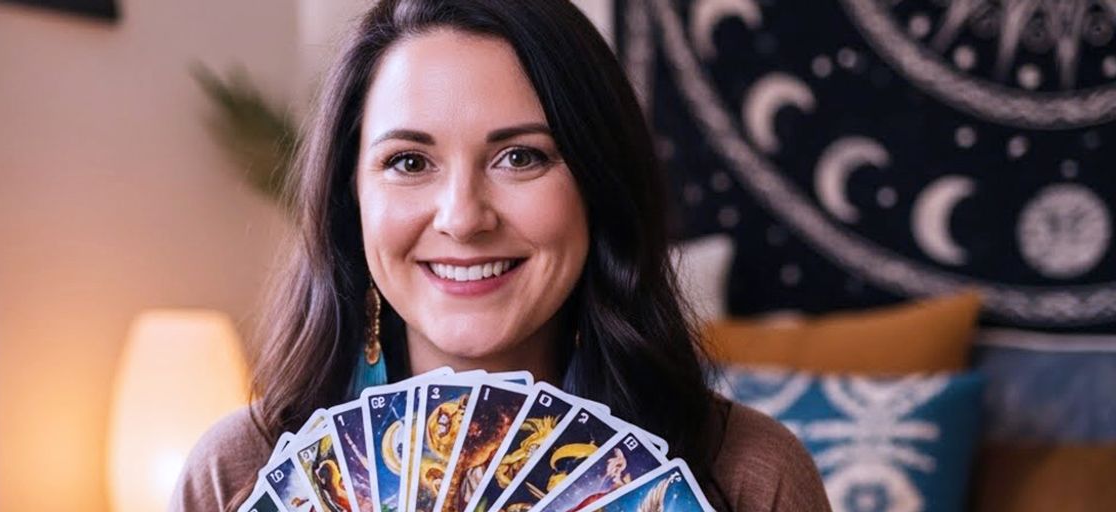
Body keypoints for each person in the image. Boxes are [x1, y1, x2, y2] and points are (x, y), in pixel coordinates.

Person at [172, 0, 828, 510]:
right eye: (408, 161)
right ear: (353, 200)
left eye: (521, 157)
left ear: (599, 184)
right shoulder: (238, 473)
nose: (463, 217)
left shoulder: (747, 475)